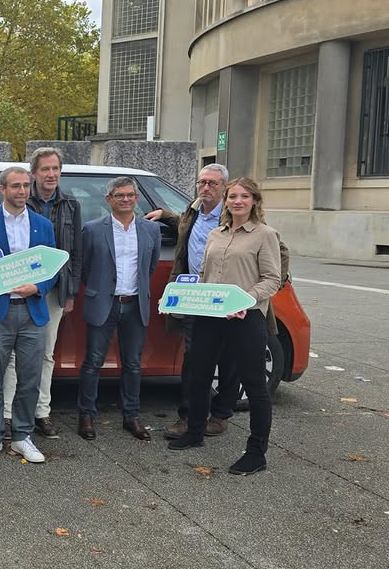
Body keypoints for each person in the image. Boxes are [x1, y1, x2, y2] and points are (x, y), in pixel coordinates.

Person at [146, 164, 291, 439]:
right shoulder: (195, 215)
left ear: (224, 188)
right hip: (202, 301)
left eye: (213, 183)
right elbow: (184, 230)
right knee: (196, 363)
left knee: (231, 363)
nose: (206, 187)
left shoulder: (261, 232)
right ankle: (191, 421)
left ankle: (222, 416)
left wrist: (250, 296)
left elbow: (278, 259)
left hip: (239, 309)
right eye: (201, 182)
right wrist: (164, 215)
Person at [168, 178, 282, 476]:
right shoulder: (215, 234)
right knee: (199, 375)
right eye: (232, 196)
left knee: (254, 385)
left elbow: (272, 279)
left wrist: (245, 299)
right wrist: (182, 296)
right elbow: (205, 274)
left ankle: (256, 452)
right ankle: (194, 432)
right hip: (210, 315)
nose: (237, 201)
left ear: (255, 201)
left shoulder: (265, 235)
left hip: (245, 317)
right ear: (226, 201)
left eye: (244, 196)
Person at [0, 167, 57, 464]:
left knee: (30, 378)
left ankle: (22, 436)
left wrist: (38, 287)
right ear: (3, 189)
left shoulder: (43, 225)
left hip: (32, 312)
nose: (22, 191)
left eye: (26, 185)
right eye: (15, 186)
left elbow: (52, 268)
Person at [1, 147, 82, 440]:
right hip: (19, 287)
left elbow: (75, 251)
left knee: (46, 353)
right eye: (45, 169)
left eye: (55, 169)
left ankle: (41, 412)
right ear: (33, 173)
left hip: (54, 289)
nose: (51, 174)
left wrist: (71, 291)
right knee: (13, 355)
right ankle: (7, 414)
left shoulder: (71, 204)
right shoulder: (21, 197)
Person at [77, 177, 160, 442]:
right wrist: (99, 288)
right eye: (119, 195)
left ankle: (131, 416)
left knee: (133, 364)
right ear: (108, 199)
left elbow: (150, 266)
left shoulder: (151, 230)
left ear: (136, 198)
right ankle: (86, 415)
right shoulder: (92, 229)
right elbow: (84, 267)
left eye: (129, 195)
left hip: (135, 304)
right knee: (93, 362)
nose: (125, 199)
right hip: (104, 302)